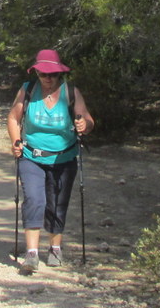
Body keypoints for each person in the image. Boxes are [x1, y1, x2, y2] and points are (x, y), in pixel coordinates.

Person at [6, 49, 94, 273]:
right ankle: (32, 253)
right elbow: (14, 118)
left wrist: (85, 124)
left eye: (53, 74)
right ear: (36, 73)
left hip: (64, 158)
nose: (48, 79)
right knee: (35, 199)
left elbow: (87, 118)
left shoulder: (70, 92)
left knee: (57, 202)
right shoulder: (28, 91)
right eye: (43, 74)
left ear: (59, 74)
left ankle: (55, 248)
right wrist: (16, 141)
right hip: (31, 156)